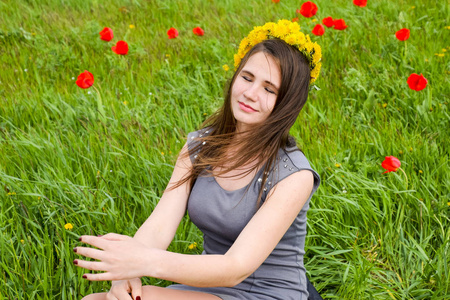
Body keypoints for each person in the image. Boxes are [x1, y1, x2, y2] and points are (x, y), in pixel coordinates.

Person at [74, 19, 322, 300]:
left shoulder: (293, 175)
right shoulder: (200, 146)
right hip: (205, 282)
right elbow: (159, 226)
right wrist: (126, 273)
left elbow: (236, 267)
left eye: (269, 89)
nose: (251, 94)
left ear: (287, 102)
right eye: (247, 78)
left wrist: (141, 260)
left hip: (266, 292)